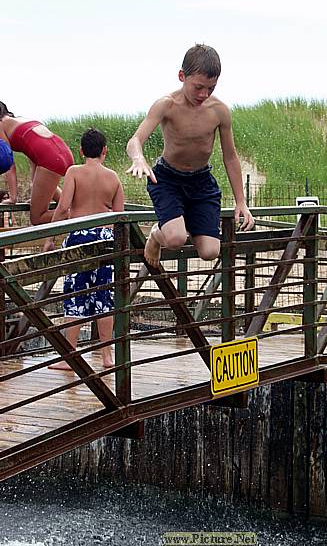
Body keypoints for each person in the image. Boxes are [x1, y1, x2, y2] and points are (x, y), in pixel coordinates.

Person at [126, 44, 254, 268]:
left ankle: (181, 223)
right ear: (182, 76)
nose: (204, 94)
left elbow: (230, 157)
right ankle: (157, 234)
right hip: (167, 178)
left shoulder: (219, 111)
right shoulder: (166, 104)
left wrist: (241, 202)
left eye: (211, 88)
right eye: (198, 87)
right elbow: (135, 140)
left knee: (210, 251)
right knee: (175, 239)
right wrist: (138, 159)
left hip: (201, 181)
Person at [45, 128, 124, 370]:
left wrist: (50, 236)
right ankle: (107, 356)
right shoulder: (114, 178)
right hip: (105, 239)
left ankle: (71, 356)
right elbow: (119, 217)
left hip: (79, 237)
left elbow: (63, 207)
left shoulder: (74, 172)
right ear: (104, 151)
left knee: (75, 295)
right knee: (104, 297)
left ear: (81, 151)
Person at [0, 101, 74, 225]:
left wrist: (12, 198)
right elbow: (33, 157)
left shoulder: (0, 125)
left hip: (50, 158)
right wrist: (36, 195)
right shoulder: (20, 120)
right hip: (63, 153)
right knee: (64, 203)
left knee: (37, 218)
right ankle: (77, 209)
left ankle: (81, 213)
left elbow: (9, 164)